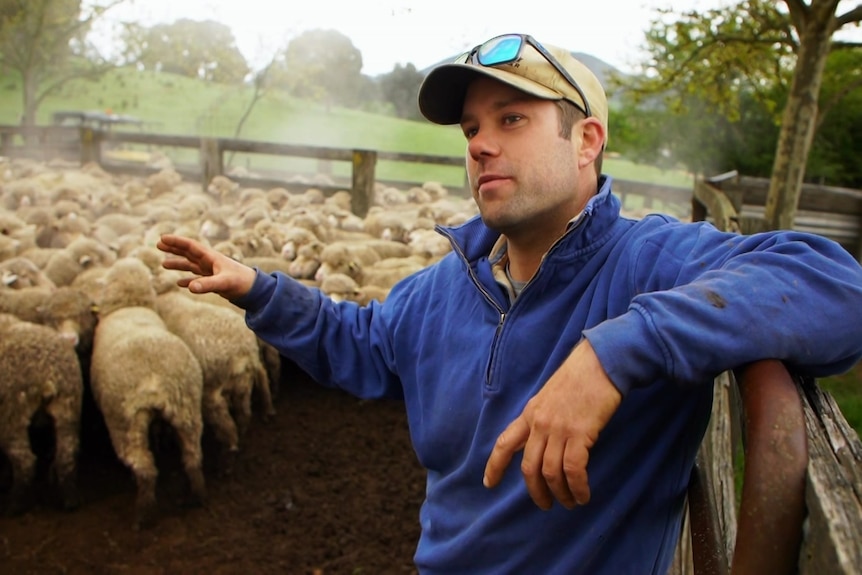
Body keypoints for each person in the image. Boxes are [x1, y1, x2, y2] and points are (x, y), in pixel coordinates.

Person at [158, 33, 862, 575]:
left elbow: (839, 288)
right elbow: (365, 343)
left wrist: (613, 353)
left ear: (586, 141)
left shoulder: (650, 264)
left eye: (513, 118)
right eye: (470, 129)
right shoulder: (447, 283)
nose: (482, 144)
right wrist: (260, 290)